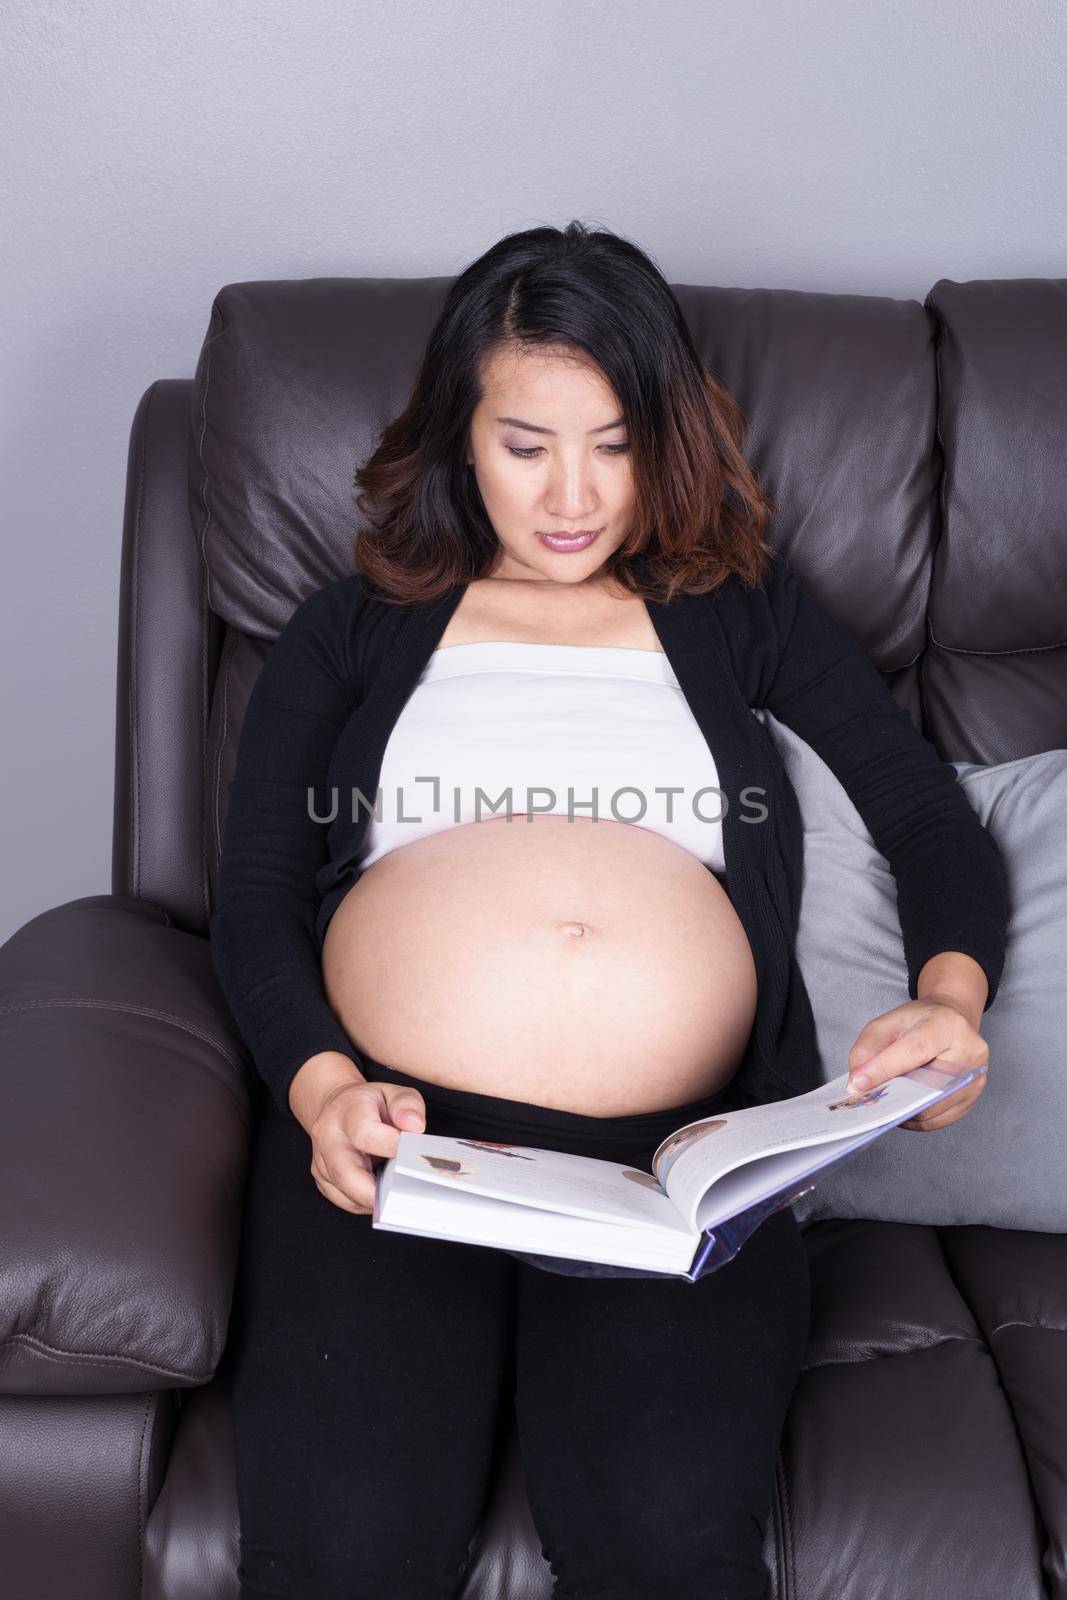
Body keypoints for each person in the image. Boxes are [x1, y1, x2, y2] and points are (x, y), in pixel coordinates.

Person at [210, 221, 1009, 1599]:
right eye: (527, 445)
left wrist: (949, 1000)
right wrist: (325, 1088)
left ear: (670, 439)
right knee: (344, 1553)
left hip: (672, 1168)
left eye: (617, 442)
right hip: (399, 1154)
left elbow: (928, 816)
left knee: (668, 1554)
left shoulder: (738, 612)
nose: (572, 494)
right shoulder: (352, 630)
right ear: (462, 436)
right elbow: (257, 893)